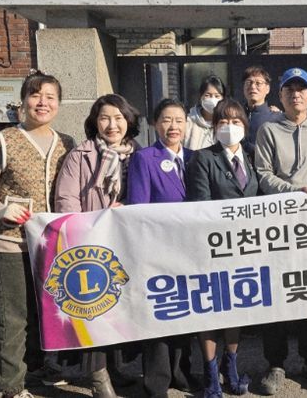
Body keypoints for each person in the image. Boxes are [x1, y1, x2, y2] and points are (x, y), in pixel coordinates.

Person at [0, 71, 75, 398]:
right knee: (14, 316)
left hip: (50, 244)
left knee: (44, 312)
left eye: (50, 97)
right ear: (23, 101)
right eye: (35, 95)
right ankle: (11, 385)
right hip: (11, 243)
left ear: (59, 103)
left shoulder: (67, 143)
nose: (42, 103)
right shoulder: (2, 141)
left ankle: (39, 368)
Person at [53, 94, 141, 398]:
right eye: (105, 118)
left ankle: (115, 368)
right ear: (95, 122)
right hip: (91, 244)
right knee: (95, 308)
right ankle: (97, 375)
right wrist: (94, 225)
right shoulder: (80, 155)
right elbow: (66, 201)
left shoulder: (139, 154)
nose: (112, 124)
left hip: (126, 242)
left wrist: (126, 208)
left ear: (128, 120)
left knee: (120, 308)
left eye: (118, 117)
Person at [254, 67, 307, 394]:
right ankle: (275, 364)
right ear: (281, 95)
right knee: (276, 292)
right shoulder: (268, 129)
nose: (296, 94)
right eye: (290, 89)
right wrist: (292, 191)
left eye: (302, 89)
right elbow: (263, 173)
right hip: (278, 223)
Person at [185, 99, 257, 398]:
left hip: (245, 247)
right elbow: (200, 204)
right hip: (213, 248)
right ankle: (211, 375)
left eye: (236, 121)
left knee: (236, 310)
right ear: (214, 127)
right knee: (211, 311)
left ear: (245, 126)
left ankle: (232, 367)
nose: (230, 127)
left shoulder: (251, 156)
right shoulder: (203, 158)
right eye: (223, 122)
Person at [127, 98, 198, 398]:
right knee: (159, 311)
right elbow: (138, 208)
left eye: (179, 120)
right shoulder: (144, 158)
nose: (173, 126)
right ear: (155, 124)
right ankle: (156, 380)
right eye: (167, 120)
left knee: (186, 311)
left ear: (187, 124)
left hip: (189, 248)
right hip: (157, 248)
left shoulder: (195, 158)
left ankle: (181, 371)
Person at [241, 65, 282, 156]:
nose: (253, 86)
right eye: (249, 82)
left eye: (258, 83)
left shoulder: (277, 118)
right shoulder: (236, 115)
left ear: (267, 89)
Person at [184, 75, 227, 150]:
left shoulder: (228, 123)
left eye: (217, 96)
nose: (212, 99)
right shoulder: (188, 122)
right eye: (208, 95)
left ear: (223, 98)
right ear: (201, 97)